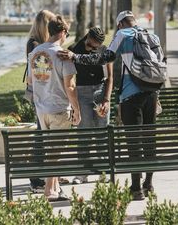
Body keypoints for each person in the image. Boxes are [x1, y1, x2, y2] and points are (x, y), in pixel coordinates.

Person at [57, 10, 160, 201]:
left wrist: (76, 57)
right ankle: (149, 183)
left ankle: (136, 188)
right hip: (152, 95)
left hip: (132, 95)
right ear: (134, 21)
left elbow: (103, 58)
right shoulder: (151, 35)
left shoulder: (122, 34)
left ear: (120, 24)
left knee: (134, 141)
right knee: (149, 138)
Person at [28, 15, 81, 201]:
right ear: (63, 32)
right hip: (59, 108)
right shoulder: (63, 55)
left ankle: (56, 189)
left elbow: (29, 80)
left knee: (52, 149)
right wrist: (77, 109)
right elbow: (71, 86)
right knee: (56, 152)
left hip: (41, 109)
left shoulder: (34, 53)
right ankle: (50, 191)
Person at [68, 26, 113, 184]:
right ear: (87, 38)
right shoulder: (74, 49)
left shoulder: (104, 51)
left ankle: (103, 171)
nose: (95, 49)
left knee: (102, 133)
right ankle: (82, 172)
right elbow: (70, 79)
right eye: (93, 45)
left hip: (100, 92)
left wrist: (106, 100)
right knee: (84, 134)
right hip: (82, 93)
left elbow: (110, 78)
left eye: (97, 46)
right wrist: (73, 104)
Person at [24, 9, 55, 193]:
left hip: (45, 94)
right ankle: (35, 178)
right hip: (40, 96)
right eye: (51, 22)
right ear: (45, 24)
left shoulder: (38, 43)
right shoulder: (34, 44)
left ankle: (46, 176)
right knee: (40, 135)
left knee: (43, 134)